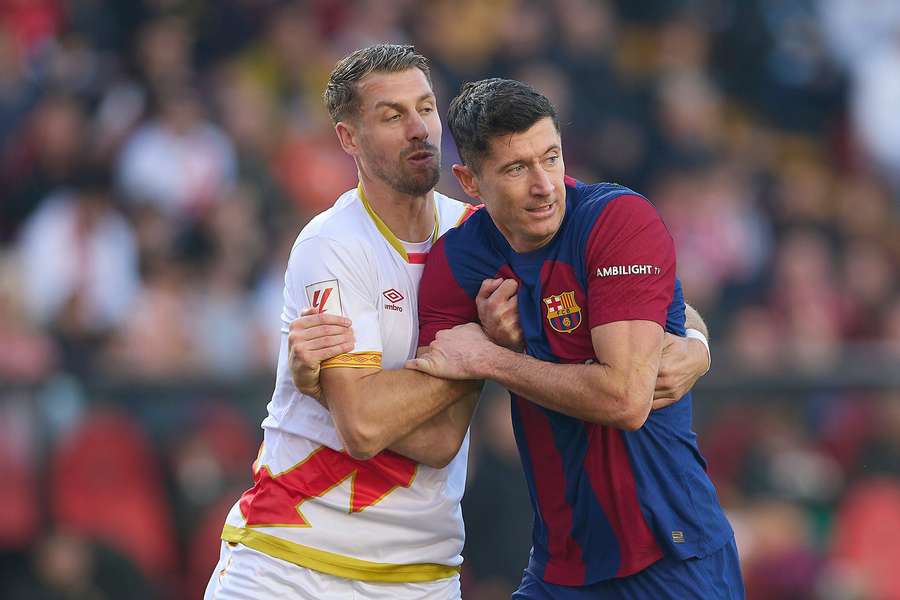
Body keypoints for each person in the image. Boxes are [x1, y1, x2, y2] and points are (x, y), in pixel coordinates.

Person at [206, 45, 711, 600]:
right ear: (348, 139)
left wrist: (695, 341)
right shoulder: (334, 244)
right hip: (293, 559)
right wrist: (483, 353)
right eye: (391, 115)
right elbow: (365, 428)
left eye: (425, 107)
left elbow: (639, 296)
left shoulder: (483, 231)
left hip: (422, 569)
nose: (419, 128)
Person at [405, 78, 743, 598]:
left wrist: (495, 361)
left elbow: (626, 398)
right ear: (469, 181)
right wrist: (330, 376)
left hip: (673, 554)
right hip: (561, 565)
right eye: (517, 168)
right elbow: (434, 436)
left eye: (552, 157)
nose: (544, 184)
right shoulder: (457, 263)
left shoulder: (616, 220)